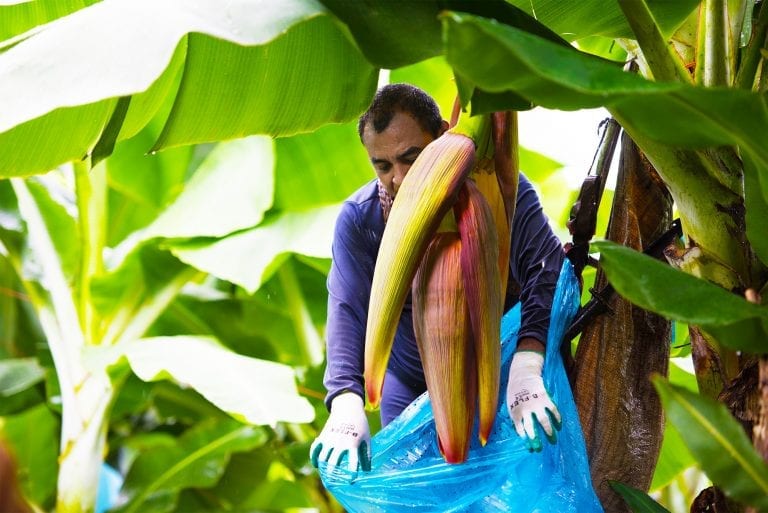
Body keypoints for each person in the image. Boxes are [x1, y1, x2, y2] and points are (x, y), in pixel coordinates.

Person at [310, 84, 565, 474]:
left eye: (411, 158)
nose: (397, 178)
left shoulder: (500, 194)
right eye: (382, 165)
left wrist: (527, 366)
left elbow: (546, 272)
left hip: (500, 373)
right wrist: (345, 401)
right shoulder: (362, 219)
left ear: (444, 134)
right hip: (408, 382)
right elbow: (347, 308)